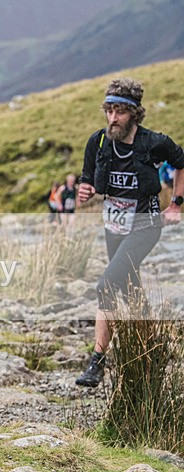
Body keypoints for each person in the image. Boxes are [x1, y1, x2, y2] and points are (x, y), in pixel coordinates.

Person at [75, 77, 184, 387]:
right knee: (130, 291)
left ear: (134, 113)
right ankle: (151, 346)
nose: (113, 118)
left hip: (145, 226)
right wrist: (85, 192)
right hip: (113, 227)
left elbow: (181, 163)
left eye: (120, 112)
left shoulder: (154, 142)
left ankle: (96, 362)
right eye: (109, 111)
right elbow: (89, 183)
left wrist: (176, 203)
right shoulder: (97, 142)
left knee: (106, 285)